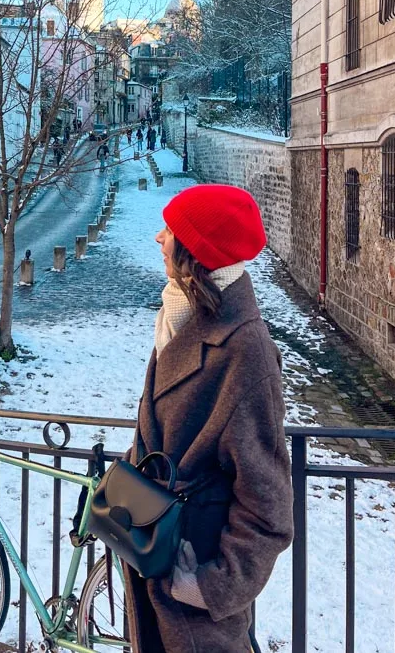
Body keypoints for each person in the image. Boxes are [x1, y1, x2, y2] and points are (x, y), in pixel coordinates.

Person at [124, 184, 293, 653]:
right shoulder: (180, 317)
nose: (159, 238)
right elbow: (162, 431)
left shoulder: (246, 350)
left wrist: (210, 586)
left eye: (172, 231)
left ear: (195, 252)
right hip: (155, 562)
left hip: (194, 596)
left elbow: (269, 507)